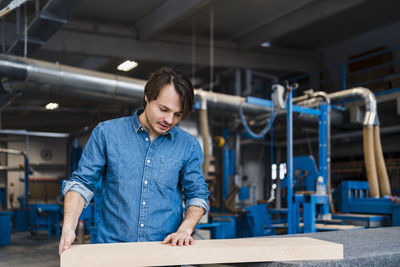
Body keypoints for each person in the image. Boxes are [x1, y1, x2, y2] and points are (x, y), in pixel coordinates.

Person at [59, 67, 210, 255]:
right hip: (113, 252)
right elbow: (82, 184)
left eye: (177, 114)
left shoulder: (188, 145)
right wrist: (68, 228)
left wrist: (185, 229)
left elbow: (198, 195)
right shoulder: (107, 134)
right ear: (147, 96)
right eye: (164, 109)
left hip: (165, 253)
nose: (169, 119)